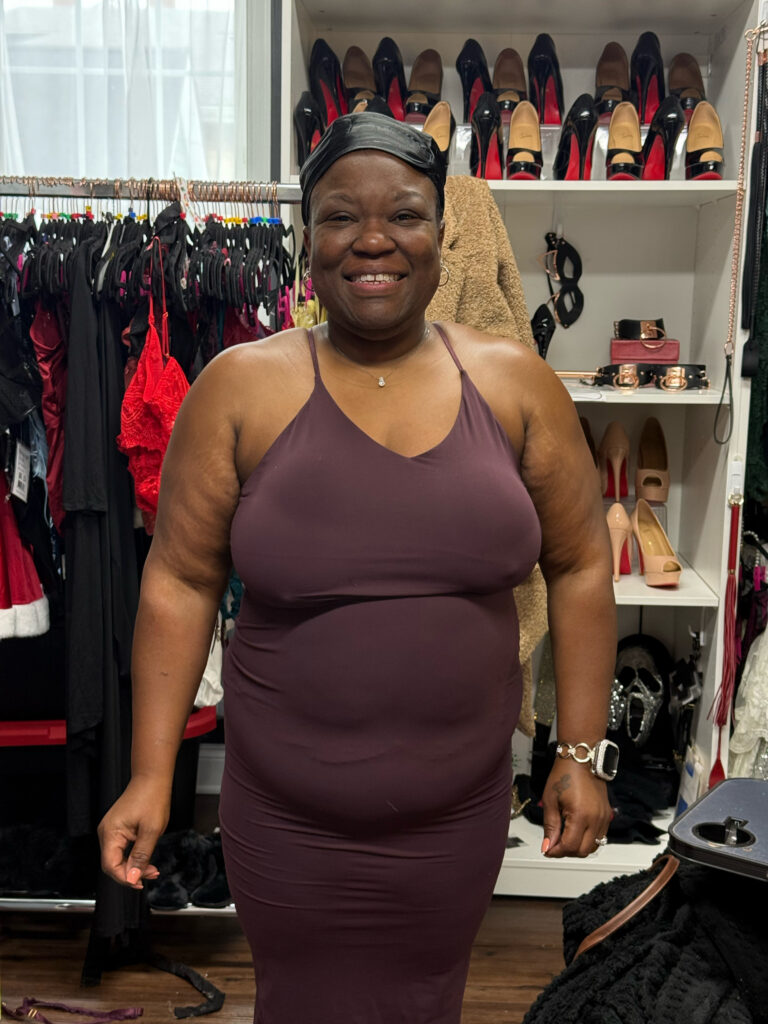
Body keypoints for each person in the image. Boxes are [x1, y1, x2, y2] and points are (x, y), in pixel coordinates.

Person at [99, 112, 616, 1023]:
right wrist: (149, 777)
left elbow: (578, 565)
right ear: (307, 234)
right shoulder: (239, 386)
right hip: (287, 821)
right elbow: (180, 580)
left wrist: (577, 752)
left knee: (427, 1002)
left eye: (404, 215)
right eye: (341, 216)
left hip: (453, 822)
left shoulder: (513, 383)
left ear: (442, 231)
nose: (373, 240)